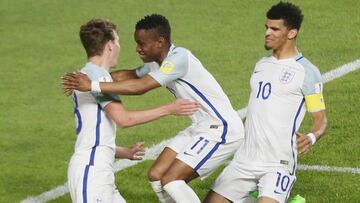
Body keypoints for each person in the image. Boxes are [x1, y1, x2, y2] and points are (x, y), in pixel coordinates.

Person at [62, 14, 245, 203]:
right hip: (201, 126)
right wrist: (93, 76)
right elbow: (130, 75)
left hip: (222, 128)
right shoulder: (154, 63)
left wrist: (92, 85)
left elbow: (139, 87)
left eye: (142, 44)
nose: (137, 49)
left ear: (160, 42)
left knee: (172, 181)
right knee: (157, 175)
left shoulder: (178, 58)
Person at [204, 2, 327, 203]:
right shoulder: (261, 64)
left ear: (291, 33)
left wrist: (313, 136)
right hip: (245, 158)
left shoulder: (306, 72)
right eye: (267, 27)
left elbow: (320, 118)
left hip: (278, 162)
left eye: (275, 29)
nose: (267, 33)